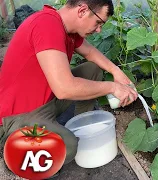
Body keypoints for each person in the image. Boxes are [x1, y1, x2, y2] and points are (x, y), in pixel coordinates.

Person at [0, 0, 138, 171]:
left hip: (47, 101)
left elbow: (89, 52)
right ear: (82, 11)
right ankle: (15, 151)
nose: (99, 29)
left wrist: (116, 71)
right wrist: (112, 87)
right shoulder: (46, 24)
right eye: (98, 22)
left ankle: (82, 125)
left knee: (92, 70)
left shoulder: (66, 28)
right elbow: (64, 89)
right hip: (17, 116)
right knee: (68, 147)